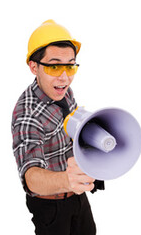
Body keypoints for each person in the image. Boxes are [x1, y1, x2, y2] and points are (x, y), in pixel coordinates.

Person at [11, 19, 97, 235]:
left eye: (70, 65)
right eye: (55, 65)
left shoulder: (64, 92)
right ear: (34, 66)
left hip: (77, 195)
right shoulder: (27, 113)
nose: (65, 76)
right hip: (50, 207)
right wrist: (66, 179)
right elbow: (30, 177)